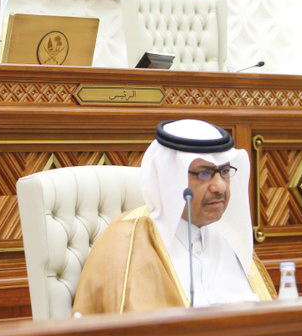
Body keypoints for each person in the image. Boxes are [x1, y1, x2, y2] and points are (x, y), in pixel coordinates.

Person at [73, 119, 275, 315]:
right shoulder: (127, 241)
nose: (220, 187)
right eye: (204, 173)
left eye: (224, 171)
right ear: (169, 177)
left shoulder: (231, 240)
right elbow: (127, 331)